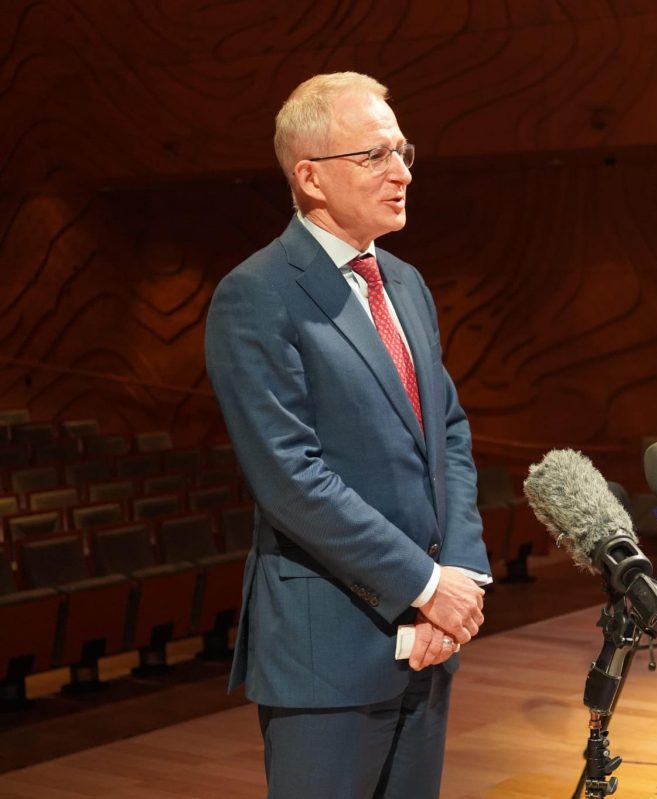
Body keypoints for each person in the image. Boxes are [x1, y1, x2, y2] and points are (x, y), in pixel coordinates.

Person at [204, 72, 490, 798]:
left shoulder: (406, 283)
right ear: (311, 178)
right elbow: (290, 478)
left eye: (403, 152)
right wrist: (425, 584)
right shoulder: (257, 294)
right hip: (327, 648)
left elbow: (447, 432)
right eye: (375, 155)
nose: (401, 172)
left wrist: (459, 577)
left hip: (431, 641)